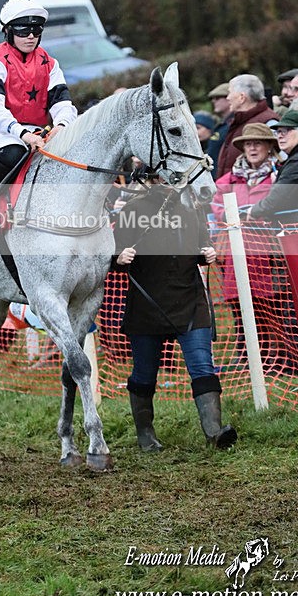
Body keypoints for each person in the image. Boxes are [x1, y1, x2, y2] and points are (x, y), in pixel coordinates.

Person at [113, 176, 237, 452]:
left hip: (190, 301)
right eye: (163, 176)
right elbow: (113, 255)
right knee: (144, 373)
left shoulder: (192, 206)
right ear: (152, 177)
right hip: (147, 305)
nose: (170, 181)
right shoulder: (132, 210)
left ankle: (214, 433)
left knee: (202, 366)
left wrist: (207, 252)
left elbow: (202, 244)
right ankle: (145, 434)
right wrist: (119, 258)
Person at [0, 0, 77, 229]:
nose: (30, 36)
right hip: (0, 136)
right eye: (22, 30)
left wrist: (61, 126)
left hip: (40, 135)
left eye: (36, 30)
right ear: (7, 31)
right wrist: (22, 134)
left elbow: (63, 103)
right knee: (14, 153)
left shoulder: (50, 63)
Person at [212, 124, 280, 362]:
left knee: (268, 305)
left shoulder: (278, 175)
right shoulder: (229, 178)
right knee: (238, 303)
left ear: (269, 146)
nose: (252, 148)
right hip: (235, 251)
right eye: (248, 144)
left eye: (257, 143)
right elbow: (217, 205)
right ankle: (245, 353)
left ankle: (271, 353)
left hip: (268, 250)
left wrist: (251, 216)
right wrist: (232, 216)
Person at [246, 111, 298, 224]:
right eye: (278, 131)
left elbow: (278, 199)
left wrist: (253, 211)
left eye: (286, 131)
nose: (280, 135)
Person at [216, 74, 279, 178]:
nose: (228, 98)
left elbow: (278, 159)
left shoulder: (269, 121)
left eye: (230, 93)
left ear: (242, 97)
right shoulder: (239, 121)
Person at [206, 83, 232, 178]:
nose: (213, 101)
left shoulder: (232, 124)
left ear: (229, 98)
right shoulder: (222, 124)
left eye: (217, 98)